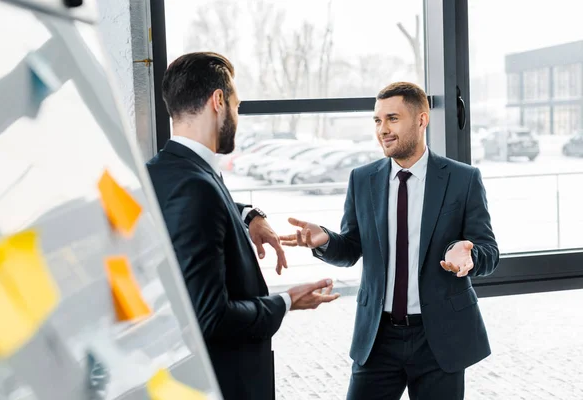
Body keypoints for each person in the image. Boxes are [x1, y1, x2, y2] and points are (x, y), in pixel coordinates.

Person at [280, 82, 499, 400]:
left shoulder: (463, 179)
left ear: (422, 120)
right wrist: (325, 240)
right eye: (378, 120)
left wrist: (471, 255)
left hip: (439, 337)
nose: (383, 129)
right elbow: (352, 249)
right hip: (378, 337)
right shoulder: (363, 179)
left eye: (393, 118)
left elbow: (489, 252)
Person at [146, 52, 339, 400]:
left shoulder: (160, 172)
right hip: (225, 383)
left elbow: (203, 209)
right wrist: (285, 301)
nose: (237, 115)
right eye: (236, 105)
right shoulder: (196, 186)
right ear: (218, 101)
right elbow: (211, 317)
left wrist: (249, 215)